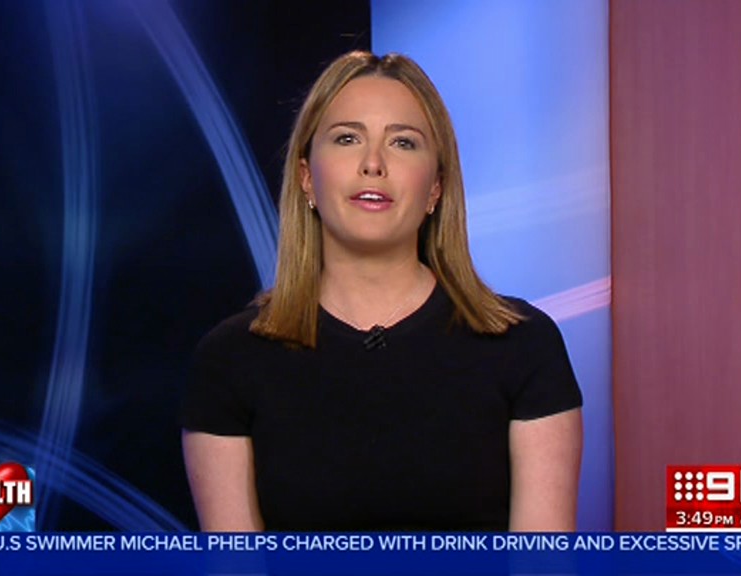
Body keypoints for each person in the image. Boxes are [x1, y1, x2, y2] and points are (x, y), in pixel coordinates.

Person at [181, 51, 583, 532]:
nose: (373, 164)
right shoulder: (230, 359)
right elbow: (235, 563)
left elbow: (542, 563)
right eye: (347, 138)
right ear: (307, 178)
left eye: (403, 143)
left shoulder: (525, 346)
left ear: (436, 188)